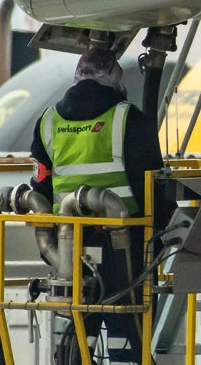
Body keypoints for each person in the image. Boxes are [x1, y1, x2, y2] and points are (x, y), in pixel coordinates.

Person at [31, 45, 166, 304]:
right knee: (128, 329)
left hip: (69, 242)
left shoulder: (48, 121)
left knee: (76, 326)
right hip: (126, 241)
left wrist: (49, 242)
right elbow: (150, 183)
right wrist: (158, 235)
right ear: (114, 77)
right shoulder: (129, 118)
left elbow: (41, 186)